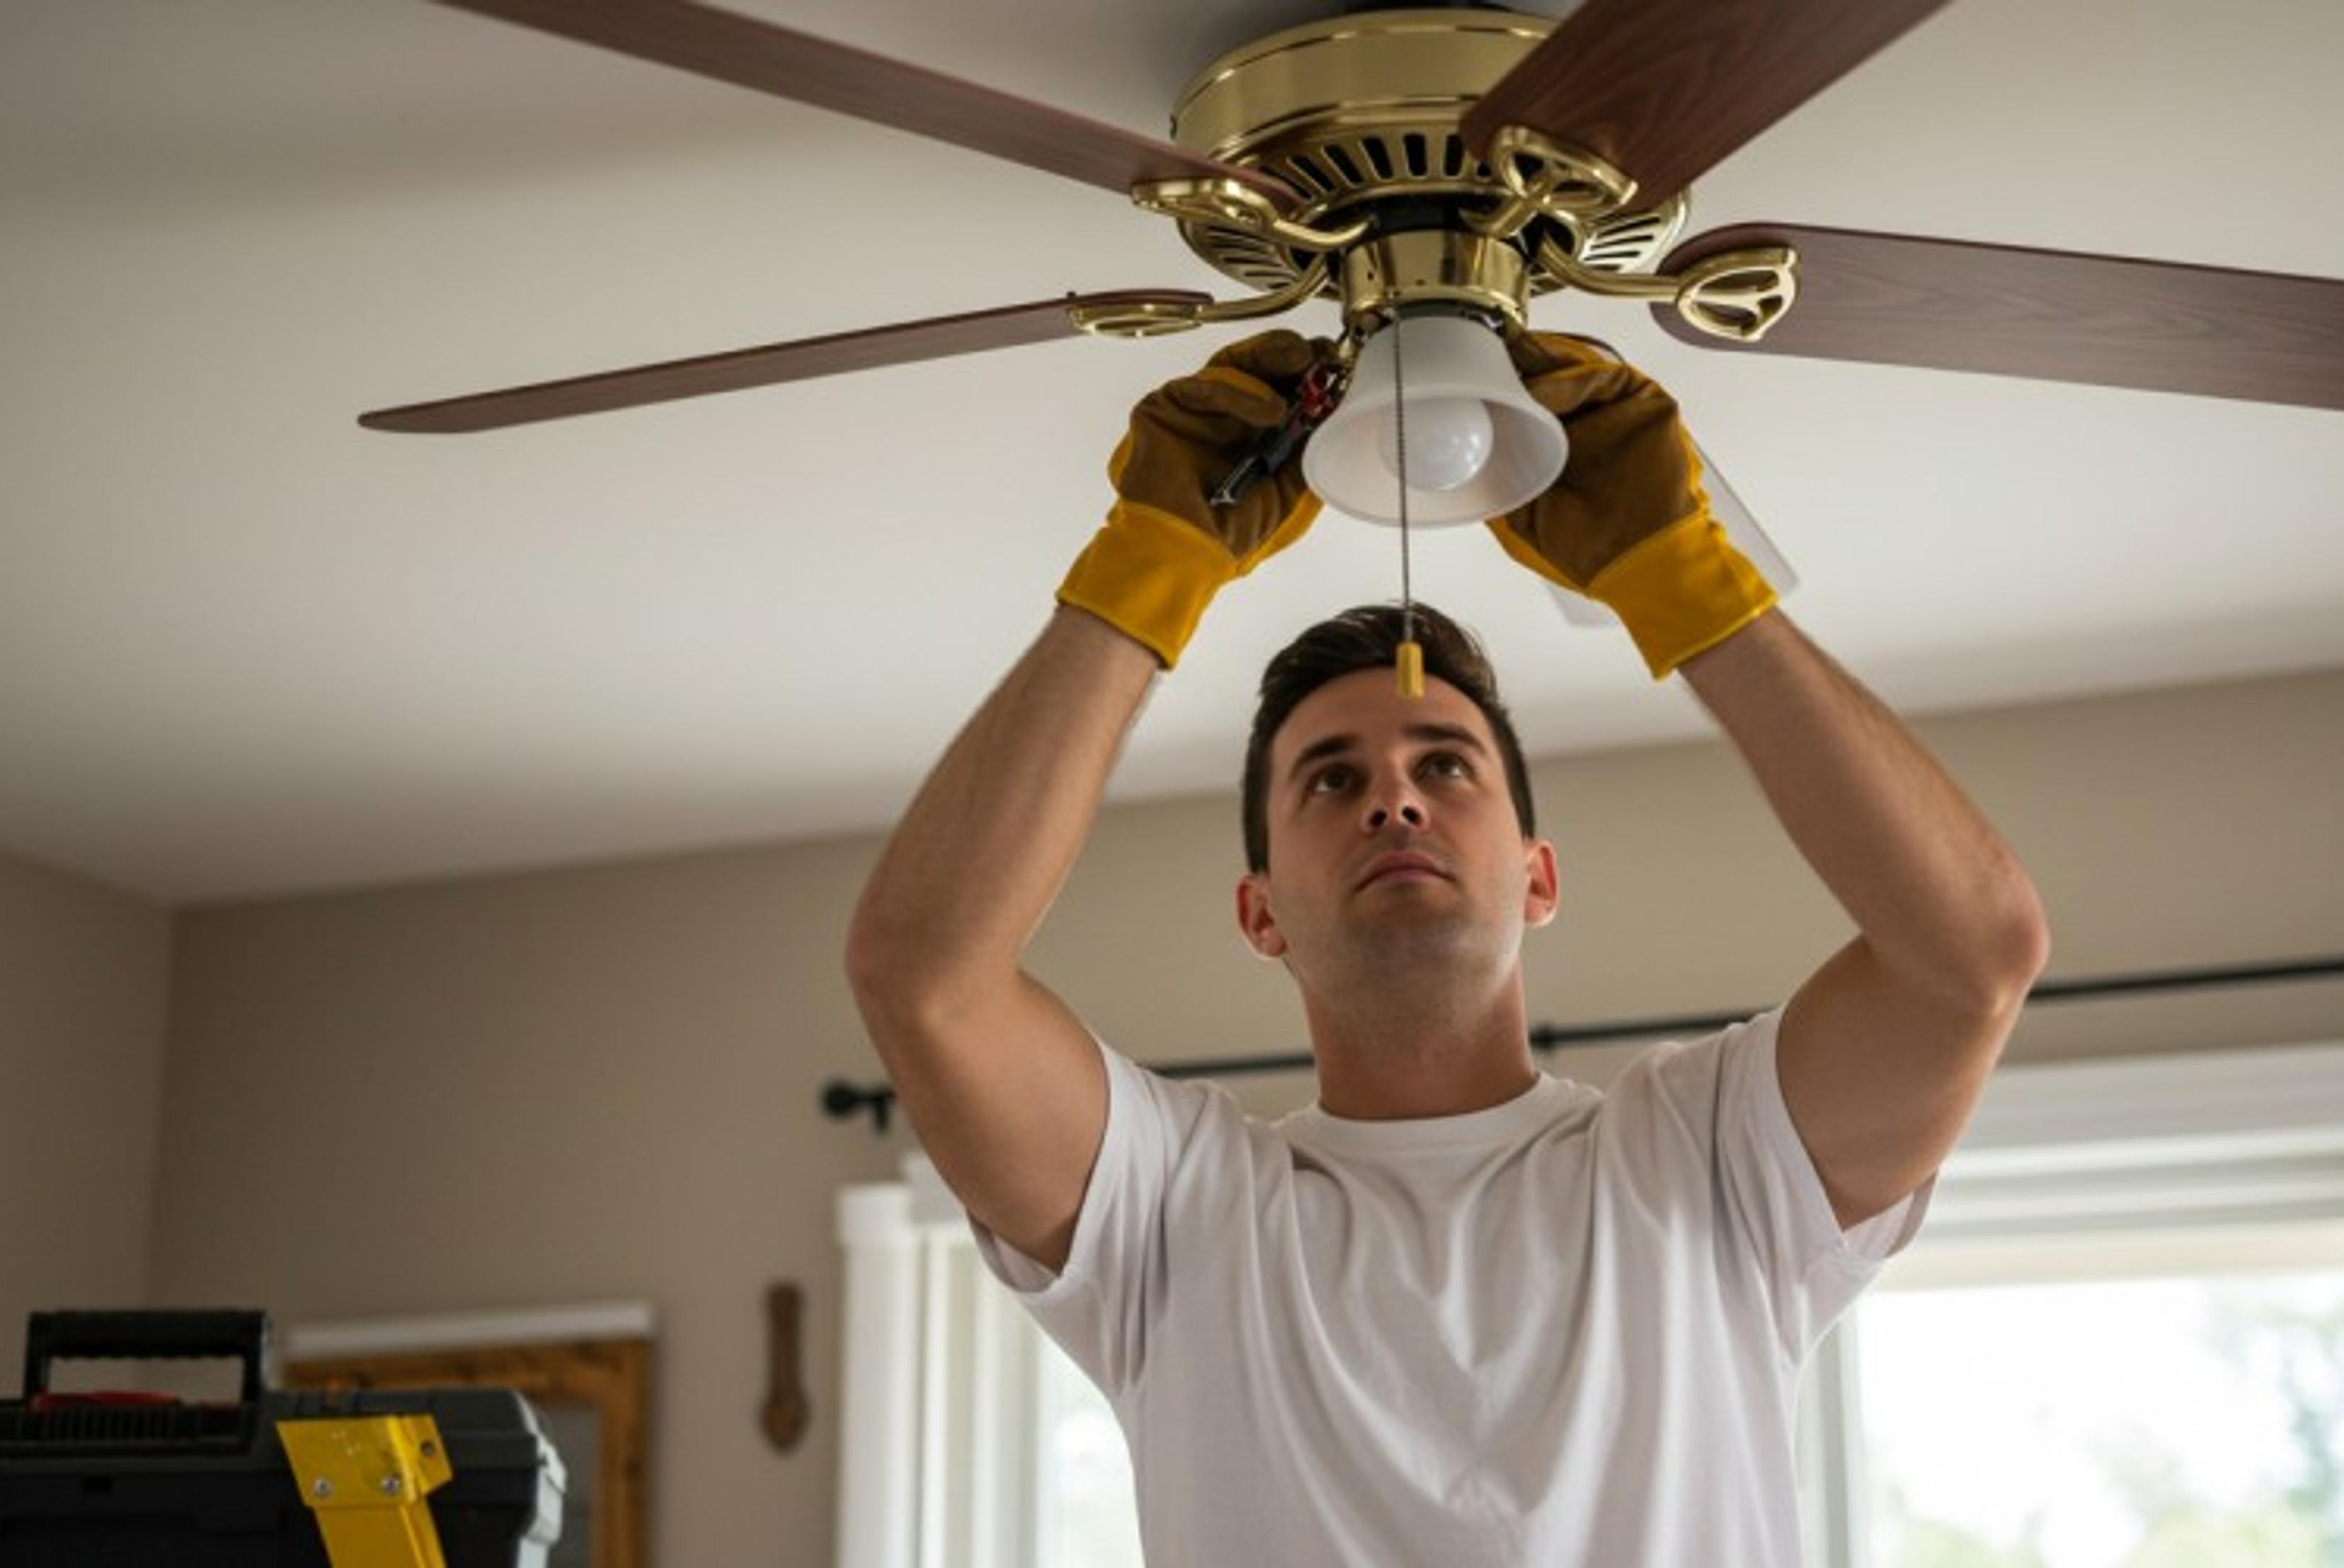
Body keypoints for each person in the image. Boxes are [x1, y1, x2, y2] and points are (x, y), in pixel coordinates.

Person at [843, 328, 2050, 1566]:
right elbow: (925, 977)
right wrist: (1149, 566)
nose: (1396, 801)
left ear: (1538, 877)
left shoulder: (1707, 1160)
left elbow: (1972, 954)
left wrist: (1679, 576)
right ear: (1260, 911)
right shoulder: (1173, 1211)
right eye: (1331, 779)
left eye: (1446, 767)